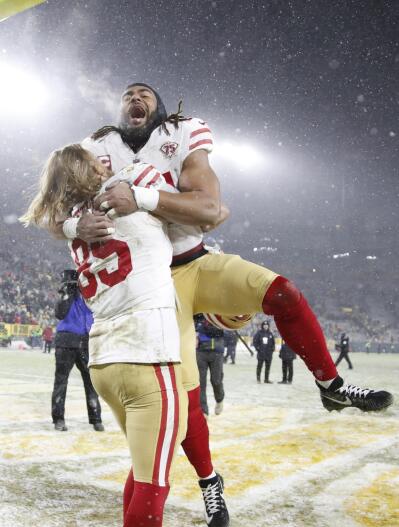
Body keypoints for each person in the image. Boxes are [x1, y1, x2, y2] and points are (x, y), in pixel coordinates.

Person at [57, 84, 392, 433]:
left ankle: (331, 386)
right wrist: (73, 226)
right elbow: (49, 211)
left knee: (283, 293)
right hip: (150, 288)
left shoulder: (181, 134)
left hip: (195, 261)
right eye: (127, 95)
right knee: (184, 399)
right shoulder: (93, 149)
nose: (135, 98)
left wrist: (141, 197)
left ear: (161, 109)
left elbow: (209, 208)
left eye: (145, 94)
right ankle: (208, 479)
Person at [20, 145, 192, 527]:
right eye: (98, 160)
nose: (106, 161)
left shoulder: (79, 220)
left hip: (106, 361)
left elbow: (54, 218)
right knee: (154, 482)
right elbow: (208, 214)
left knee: (143, 468)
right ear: (91, 169)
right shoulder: (130, 187)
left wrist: (72, 222)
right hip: (147, 353)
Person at [51, 269, 104, 432]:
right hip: (67, 340)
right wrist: (66, 293)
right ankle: (58, 419)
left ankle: (96, 418)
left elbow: (97, 313)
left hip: (85, 341)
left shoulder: (89, 295)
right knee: (61, 382)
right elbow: (59, 314)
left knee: (91, 382)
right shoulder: (66, 295)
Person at [195, 313, 225, 416]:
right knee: (200, 382)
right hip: (201, 351)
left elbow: (217, 331)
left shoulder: (218, 314)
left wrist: (203, 327)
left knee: (216, 380)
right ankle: (204, 411)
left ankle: (219, 399)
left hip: (216, 350)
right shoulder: (198, 316)